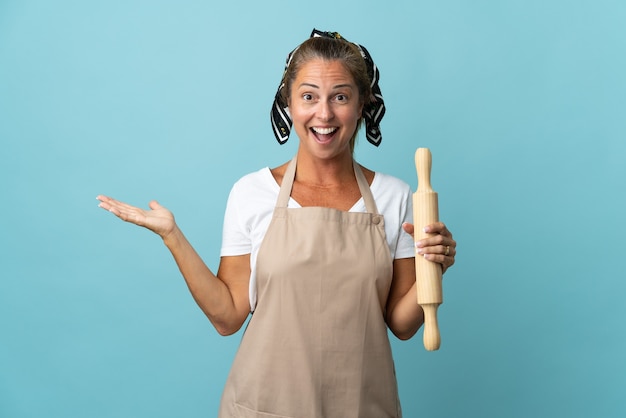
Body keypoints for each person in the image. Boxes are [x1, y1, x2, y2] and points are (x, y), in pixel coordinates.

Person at [97, 29, 457, 418]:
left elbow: (402, 325)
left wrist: (433, 267)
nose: (324, 114)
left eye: (340, 96)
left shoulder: (396, 196)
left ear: (362, 103)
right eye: (308, 96)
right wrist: (173, 236)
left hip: (360, 406)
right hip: (264, 406)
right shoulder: (252, 192)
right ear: (288, 102)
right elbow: (228, 315)